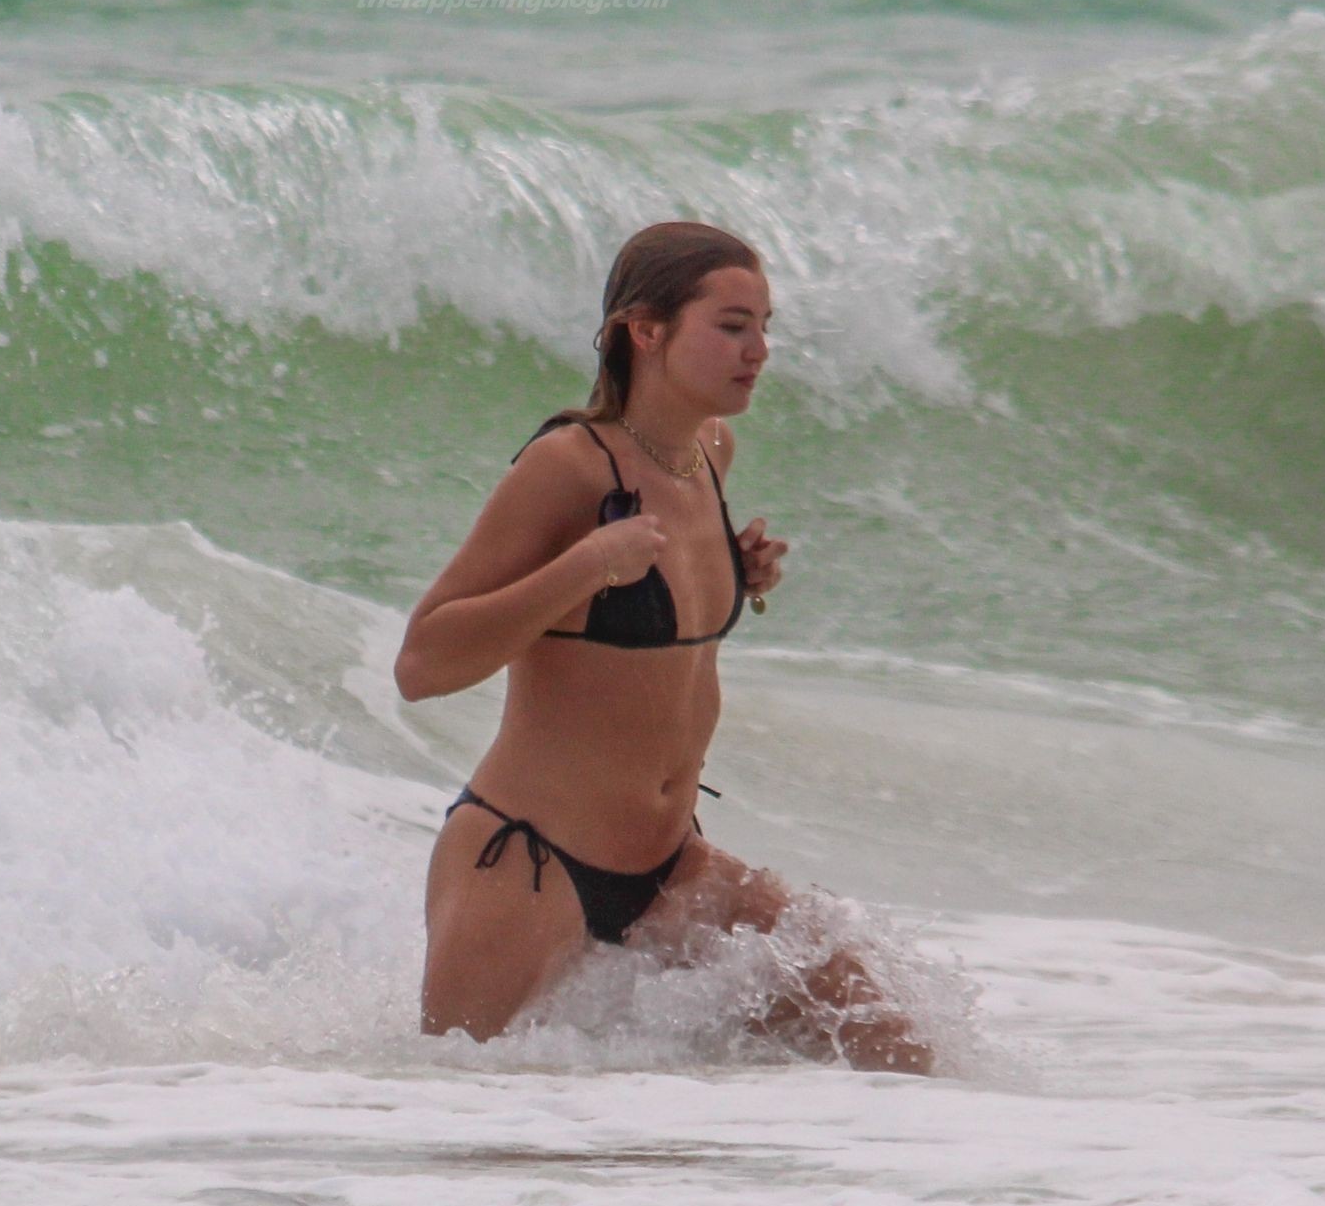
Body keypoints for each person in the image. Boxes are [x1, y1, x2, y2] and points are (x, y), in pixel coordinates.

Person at [394, 222, 932, 1074]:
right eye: (732, 326)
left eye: (764, 326)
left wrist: (735, 575)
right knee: (458, 1112)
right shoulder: (568, 466)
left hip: (671, 869)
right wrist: (583, 566)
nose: (758, 350)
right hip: (530, 865)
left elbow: (647, 634)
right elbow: (423, 663)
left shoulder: (710, 452)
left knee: (890, 1046)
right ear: (645, 331)